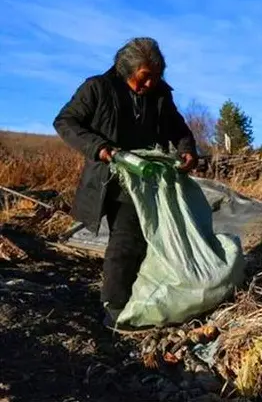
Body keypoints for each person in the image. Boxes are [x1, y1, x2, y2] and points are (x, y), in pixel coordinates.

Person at [53, 37, 198, 327]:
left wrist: (187, 149)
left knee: (148, 241)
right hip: (113, 179)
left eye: (156, 78)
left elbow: (178, 128)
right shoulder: (97, 88)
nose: (149, 85)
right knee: (126, 241)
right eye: (145, 78)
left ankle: (138, 299)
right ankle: (115, 309)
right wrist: (99, 146)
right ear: (126, 69)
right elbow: (65, 122)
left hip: (149, 180)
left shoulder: (160, 95)